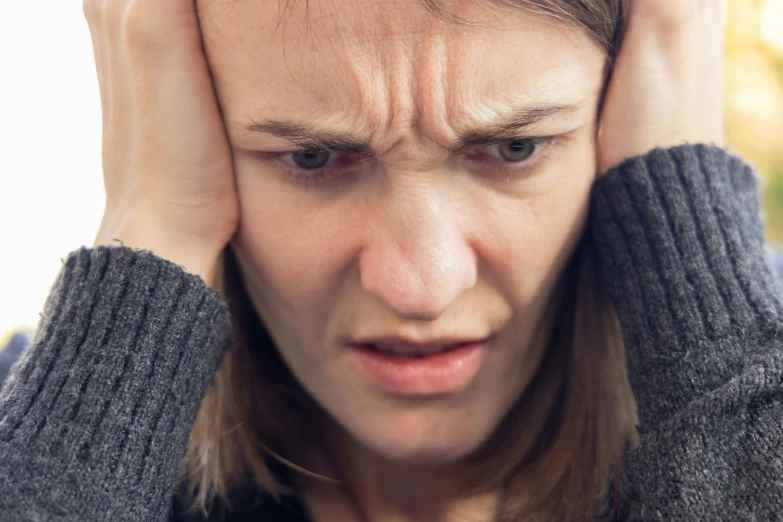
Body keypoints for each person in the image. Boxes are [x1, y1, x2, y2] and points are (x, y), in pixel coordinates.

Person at [0, 0, 780, 520]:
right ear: (175, 134)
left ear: (628, 112)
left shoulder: (749, 388)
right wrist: (155, 229)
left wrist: (699, 278)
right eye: (310, 156)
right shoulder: (45, 442)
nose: (421, 285)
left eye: (514, 147)